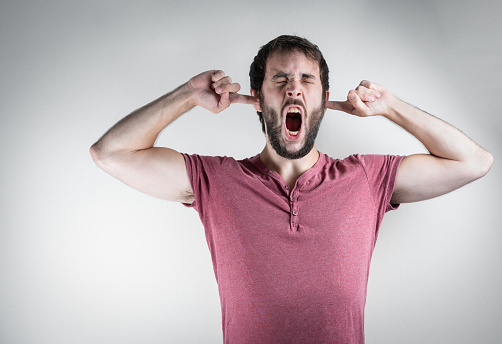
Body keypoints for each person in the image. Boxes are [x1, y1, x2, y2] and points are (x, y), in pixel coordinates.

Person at [90, 35, 493, 343]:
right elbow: (110, 153)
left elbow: (474, 162)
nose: (293, 89)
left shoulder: (367, 179)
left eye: (306, 80)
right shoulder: (215, 181)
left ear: (323, 99)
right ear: (258, 100)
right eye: (279, 79)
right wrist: (187, 96)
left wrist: (391, 106)